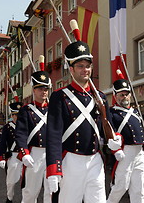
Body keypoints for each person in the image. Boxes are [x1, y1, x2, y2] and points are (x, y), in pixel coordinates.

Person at [46, 30, 122, 203]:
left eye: (87, 65)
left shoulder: (100, 97)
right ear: (71, 69)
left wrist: (115, 139)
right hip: (71, 160)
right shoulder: (60, 96)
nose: (85, 70)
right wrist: (53, 169)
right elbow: (54, 135)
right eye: (80, 66)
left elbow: (107, 127)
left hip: (95, 159)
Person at [106, 71, 144, 203]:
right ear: (115, 96)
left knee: (138, 188)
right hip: (124, 151)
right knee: (121, 186)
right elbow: (109, 133)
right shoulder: (112, 113)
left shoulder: (136, 112)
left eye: (127, 94)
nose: (125, 97)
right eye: (121, 94)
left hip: (139, 152)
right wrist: (116, 150)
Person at [16, 55, 52, 203]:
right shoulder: (26, 110)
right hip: (34, 153)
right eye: (40, 89)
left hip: (51, 152)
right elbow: (20, 134)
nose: (43, 92)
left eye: (46, 89)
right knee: (31, 191)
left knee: (51, 191)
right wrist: (24, 153)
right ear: (33, 90)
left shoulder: (54, 110)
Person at [0, 102, 23, 203]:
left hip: (26, 156)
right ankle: (9, 197)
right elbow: (2, 143)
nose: (16, 117)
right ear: (12, 115)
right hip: (14, 156)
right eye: (14, 115)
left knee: (29, 181)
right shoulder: (7, 127)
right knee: (11, 181)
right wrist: (1, 158)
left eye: (18, 114)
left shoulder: (27, 126)